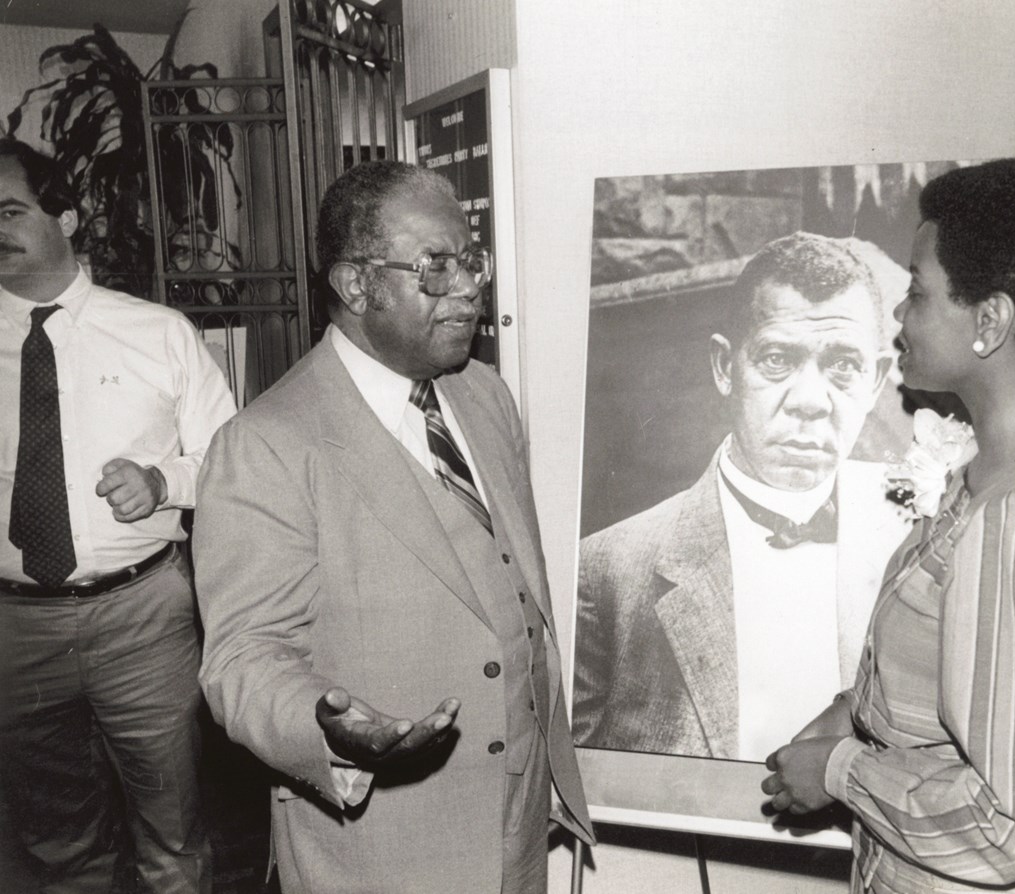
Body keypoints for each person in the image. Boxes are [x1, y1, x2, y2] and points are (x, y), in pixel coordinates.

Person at [193, 160, 593, 894]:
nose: (470, 285)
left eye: (471, 260)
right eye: (435, 267)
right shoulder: (266, 444)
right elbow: (243, 659)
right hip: (388, 849)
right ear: (355, 285)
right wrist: (326, 728)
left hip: (522, 816)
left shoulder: (484, 396)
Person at [761, 158, 1015, 893]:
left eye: (916, 291)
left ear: (991, 321)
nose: (898, 316)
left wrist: (842, 772)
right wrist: (858, 714)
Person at [573, 232, 912, 761]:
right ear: (725, 367)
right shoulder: (606, 571)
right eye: (778, 358)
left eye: (843, 365)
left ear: (875, 380)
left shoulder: (925, 529)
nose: (810, 401)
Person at [0, 138, 234, 892]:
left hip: (143, 618)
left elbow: (232, 463)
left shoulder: (159, 333)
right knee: (55, 837)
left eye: (9, 210)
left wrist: (163, 481)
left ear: (66, 216)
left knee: (173, 832)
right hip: (14, 629)